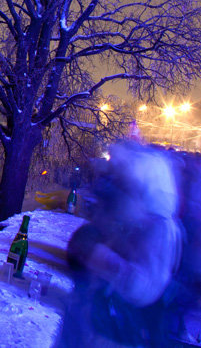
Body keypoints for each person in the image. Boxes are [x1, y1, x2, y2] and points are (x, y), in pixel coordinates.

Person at [55, 142, 183, 347]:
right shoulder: (142, 222)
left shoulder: (159, 229)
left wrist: (97, 255)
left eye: (129, 186)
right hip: (108, 323)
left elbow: (143, 288)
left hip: (121, 332)